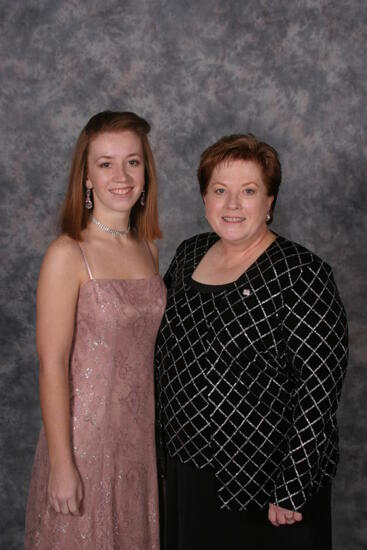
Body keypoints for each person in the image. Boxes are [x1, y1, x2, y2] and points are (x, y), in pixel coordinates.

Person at [155, 134, 348, 550]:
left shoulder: (302, 274)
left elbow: (318, 389)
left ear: (270, 202)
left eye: (248, 191)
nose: (232, 205)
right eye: (220, 191)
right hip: (190, 470)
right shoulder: (189, 254)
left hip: (266, 483)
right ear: (204, 197)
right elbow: (165, 356)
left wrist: (292, 486)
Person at [25, 111, 166, 550]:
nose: (121, 176)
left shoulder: (149, 249)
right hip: (83, 442)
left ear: (146, 170)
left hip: (139, 443)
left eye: (132, 162)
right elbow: (52, 366)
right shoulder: (68, 253)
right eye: (105, 164)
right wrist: (62, 464)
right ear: (86, 177)